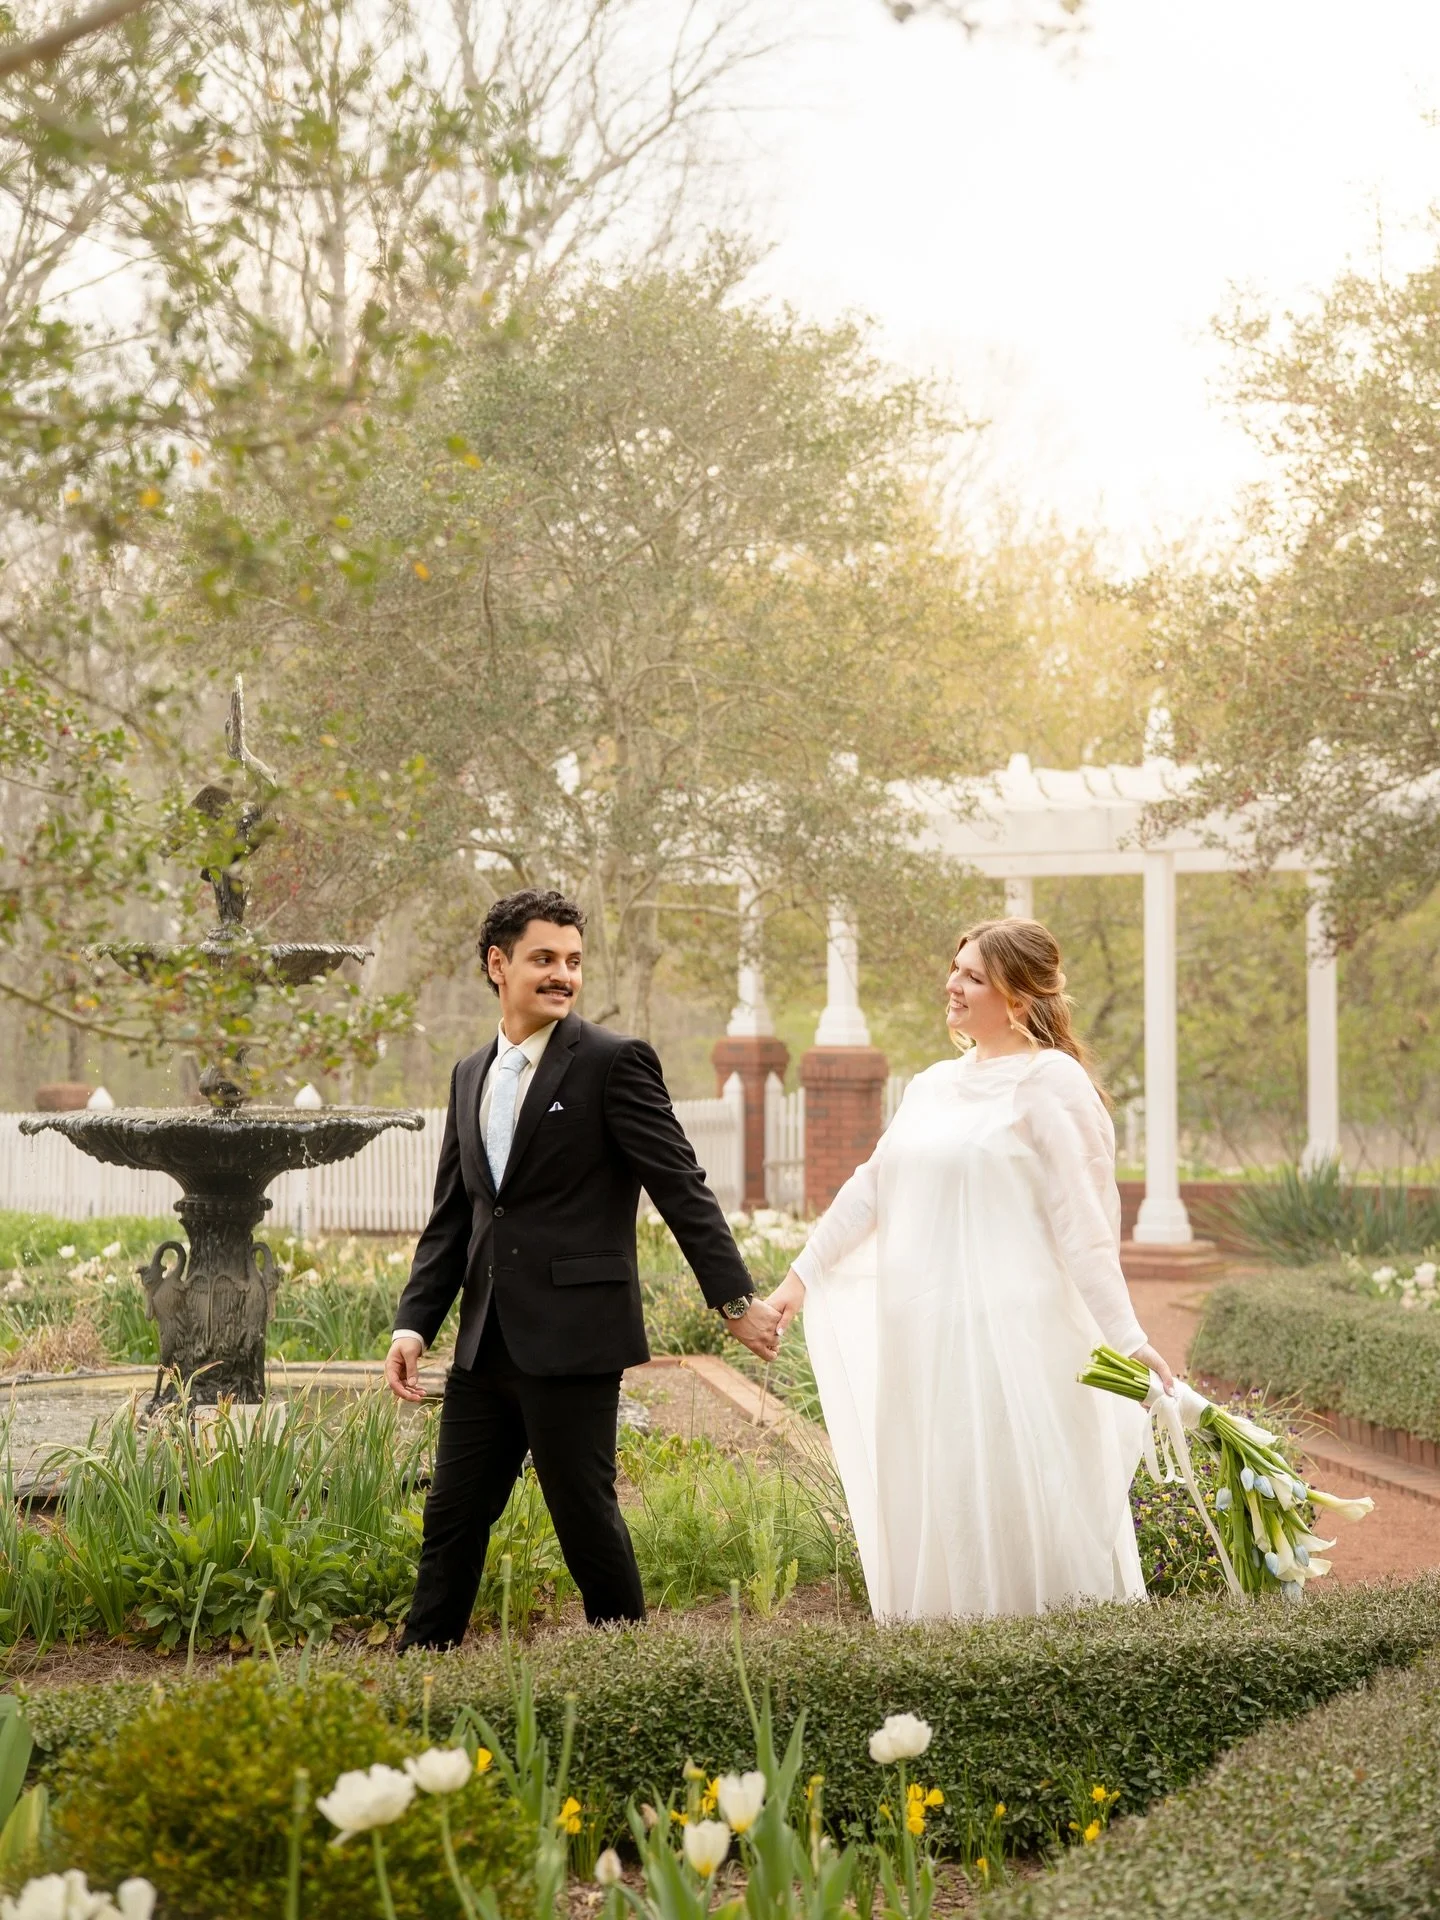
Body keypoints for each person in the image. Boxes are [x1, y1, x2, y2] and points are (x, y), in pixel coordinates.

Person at [386, 887, 781, 1648]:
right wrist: (414, 1324)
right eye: (544, 959)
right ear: (498, 965)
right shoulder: (470, 1074)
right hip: (483, 1343)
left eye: (572, 961)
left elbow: (679, 1184)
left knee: (583, 1517)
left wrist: (733, 1299)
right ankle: (420, 1664)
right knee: (451, 1516)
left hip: (574, 1339)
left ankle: (628, 1667)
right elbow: (454, 1217)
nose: (562, 974)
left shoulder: (612, 1063)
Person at [765, 917, 1174, 1621]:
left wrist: (1129, 1339)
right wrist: (799, 1276)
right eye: (955, 968)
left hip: (1014, 1348)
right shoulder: (931, 1086)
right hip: (927, 1350)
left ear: (1018, 995)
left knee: (1014, 1508)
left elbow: (1084, 1229)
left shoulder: (1054, 1084)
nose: (952, 984)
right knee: (946, 1503)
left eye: (973, 975)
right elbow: (872, 1186)